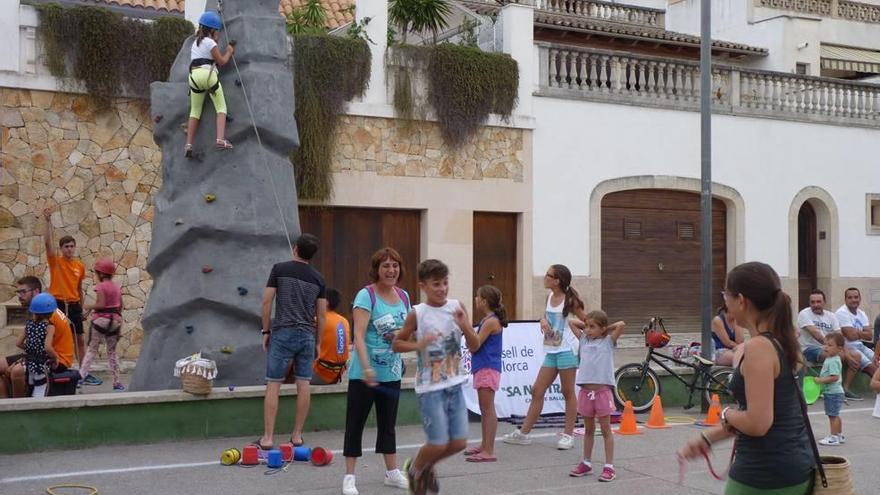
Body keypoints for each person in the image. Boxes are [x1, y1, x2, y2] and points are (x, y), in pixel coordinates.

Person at [678, 262, 813, 494]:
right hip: (793, 466)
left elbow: (758, 423)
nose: (725, 301)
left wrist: (725, 412)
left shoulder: (759, 348)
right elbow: (776, 411)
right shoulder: (785, 341)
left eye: (725, 294)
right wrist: (710, 437)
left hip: (763, 474)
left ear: (741, 300)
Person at [393, 259, 471, 495]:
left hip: (455, 384)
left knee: (459, 443)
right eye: (436, 284)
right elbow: (397, 344)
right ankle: (416, 470)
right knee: (437, 442)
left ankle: (424, 467)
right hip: (431, 389)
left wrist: (465, 326)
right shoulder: (417, 313)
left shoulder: (457, 306)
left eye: (445, 283)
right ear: (423, 286)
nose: (442, 289)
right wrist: (419, 344)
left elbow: (475, 345)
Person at [342, 248, 411, 495]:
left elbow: (405, 333)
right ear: (377, 270)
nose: (391, 270)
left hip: (391, 373)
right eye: (386, 266)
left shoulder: (404, 296)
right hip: (364, 374)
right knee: (355, 423)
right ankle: (349, 476)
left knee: (388, 424)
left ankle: (392, 473)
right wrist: (367, 367)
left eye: (395, 265)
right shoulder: (366, 295)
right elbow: (358, 335)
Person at [504, 264, 586, 450]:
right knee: (537, 390)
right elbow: (547, 316)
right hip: (551, 350)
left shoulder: (570, 300)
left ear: (557, 281)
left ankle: (568, 435)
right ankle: (524, 433)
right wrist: (543, 321)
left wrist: (574, 325)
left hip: (566, 351)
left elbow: (588, 321)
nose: (545, 277)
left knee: (568, 393)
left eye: (548, 275)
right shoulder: (549, 297)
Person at [257, 234, 327, 450]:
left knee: (273, 383)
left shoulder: (279, 269)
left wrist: (266, 330)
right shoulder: (319, 279)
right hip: (307, 335)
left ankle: (268, 438)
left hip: (282, 332)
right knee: (303, 383)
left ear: (295, 248)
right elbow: (322, 315)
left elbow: (267, 301)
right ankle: (296, 435)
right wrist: (318, 342)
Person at [570, 310, 625, 482]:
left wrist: (604, 329)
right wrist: (589, 325)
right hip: (585, 392)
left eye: (592, 327)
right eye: (586, 326)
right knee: (589, 429)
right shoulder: (584, 340)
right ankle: (586, 462)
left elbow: (621, 324)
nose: (587, 330)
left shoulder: (608, 342)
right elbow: (572, 322)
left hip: (602, 392)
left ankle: (609, 466)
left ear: (602, 329)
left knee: (606, 429)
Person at [42, 207, 95, 384]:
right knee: (57, 336)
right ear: (62, 248)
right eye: (66, 247)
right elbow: (48, 244)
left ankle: (84, 371)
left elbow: (78, 287)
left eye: (72, 246)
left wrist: (81, 306)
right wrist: (47, 221)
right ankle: (59, 366)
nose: (70, 249)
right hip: (57, 303)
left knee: (80, 337)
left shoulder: (79, 266)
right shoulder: (55, 261)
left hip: (73, 304)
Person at [0, 277, 75, 398]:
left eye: (23, 292)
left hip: (57, 359)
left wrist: (24, 357)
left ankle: (18, 407)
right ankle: (4, 406)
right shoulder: (42, 310)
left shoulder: (47, 315)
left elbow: (47, 348)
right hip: (40, 354)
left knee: (16, 371)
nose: (19, 295)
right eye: (18, 292)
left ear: (35, 292)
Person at [461, 285, 508, 463]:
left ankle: (489, 450)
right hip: (483, 367)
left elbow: (475, 345)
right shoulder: (487, 320)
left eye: (477, 297)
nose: (475, 299)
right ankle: (484, 445)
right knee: (484, 409)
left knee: (488, 410)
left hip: (488, 368)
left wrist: (465, 326)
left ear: (484, 301)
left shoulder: (490, 321)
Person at [184, 10, 235, 158]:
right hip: (208, 76)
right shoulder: (210, 42)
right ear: (213, 30)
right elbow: (222, 62)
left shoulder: (196, 43)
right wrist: (229, 51)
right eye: (217, 31)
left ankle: (188, 144)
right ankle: (220, 139)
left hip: (193, 77)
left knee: (195, 111)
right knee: (221, 108)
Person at [78, 259, 124, 392]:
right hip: (115, 321)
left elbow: (101, 305)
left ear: (101, 274)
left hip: (100, 321)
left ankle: (81, 376)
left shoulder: (100, 286)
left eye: (96, 273)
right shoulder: (117, 287)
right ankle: (117, 382)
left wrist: (87, 306)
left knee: (92, 350)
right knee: (112, 352)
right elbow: (121, 306)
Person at [834, 287, 878, 400]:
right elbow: (850, 336)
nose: (854, 300)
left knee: (878, 361)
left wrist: (856, 332)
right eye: (850, 297)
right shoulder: (842, 313)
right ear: (845, 299)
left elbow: (869, 335)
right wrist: (861, 332)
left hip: (860, 345)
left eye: (856, 297)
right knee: (872, 367)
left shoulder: (861, 313)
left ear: (860, 298)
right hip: (847, 347)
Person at [18, 293, 59, 398]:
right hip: (41, 365)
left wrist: (31, 349)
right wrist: (55, 358)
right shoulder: (49, 327)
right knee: (40, 391)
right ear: (51, 311)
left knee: (30, 388)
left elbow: (18, 343)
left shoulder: (29, 324)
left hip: (30, 364)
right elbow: (47, 347)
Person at [311, 288, 351, 386]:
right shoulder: (344, 320)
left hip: (320, 374)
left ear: (326, 302)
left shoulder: (318, 320)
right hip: (337, 375)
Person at [814, 332, 846, 446]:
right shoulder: (830, 358)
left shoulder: (833, 360)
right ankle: (839, 435)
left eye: (830, 345)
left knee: (832, 416)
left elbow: (834, 377)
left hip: (833, 393)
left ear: (839, 348)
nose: (826, 347)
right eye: (825, 344)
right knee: (835, 414)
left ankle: (833, 437)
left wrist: (820, 380)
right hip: (833, 392)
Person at [711, 302, 744, 366]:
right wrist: (740, 347)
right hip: (719, 350)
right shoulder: (718, 320)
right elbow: (727, 342)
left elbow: (740, 341)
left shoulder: (736, 320)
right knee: (740, 358)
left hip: (734, 349)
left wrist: (737, 321)